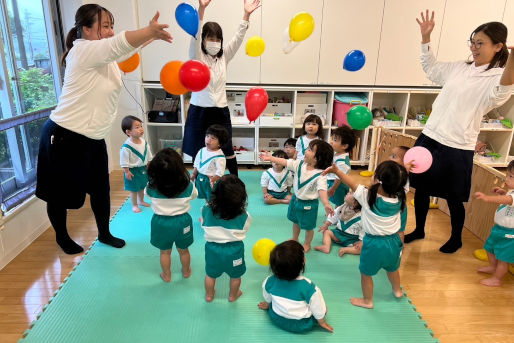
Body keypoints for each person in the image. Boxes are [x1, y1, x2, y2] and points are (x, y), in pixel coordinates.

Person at [35, 4, 172, 254]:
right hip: (65, 135)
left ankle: (104, 233)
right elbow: (118, 45)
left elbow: (125, 49)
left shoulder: (105, 57)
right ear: (85, 29)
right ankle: (62, 237)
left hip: (93, 138)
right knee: (60, 195)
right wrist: (147, 30)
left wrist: (150, 35)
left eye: (112, 26)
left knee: (101, 189)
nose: (110, 31)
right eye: (105, 26)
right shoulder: (84, 51)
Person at [405, 11, 514, 253]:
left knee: (453, 197)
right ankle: (419, 229)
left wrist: (512, 61)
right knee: (420, 188)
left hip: (457, 145)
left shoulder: (496, 76)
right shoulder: (461, 67)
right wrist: (425, 39)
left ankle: (456, 238)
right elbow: (432, 70)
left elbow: (500, 94)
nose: (474, 48)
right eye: (473, 42)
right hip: (430, 136)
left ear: (498, 46)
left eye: (480, 43)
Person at [182, 0, 261, 177]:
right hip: (199, 109)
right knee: (199, 146)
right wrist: (201, 9)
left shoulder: (224, 56)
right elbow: (194, 33)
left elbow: (238, 38)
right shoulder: (197, 56)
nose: (214, 42)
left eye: (218, 39)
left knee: (226, 147)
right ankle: (200, 180)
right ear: (203, 40)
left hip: (220, 110)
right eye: (210, 38)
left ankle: (234, 180)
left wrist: (246, 15)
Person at [324, 160, 408, 309]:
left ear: (378, 180)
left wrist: (337, 172)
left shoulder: (368, 196)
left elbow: (351, 183)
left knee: (366, 273)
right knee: (392, 268)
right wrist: (404, 171)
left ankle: (367, 301)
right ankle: (397, 291)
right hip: (394, 242)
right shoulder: (400, 196)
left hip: (374, 244)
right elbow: (400, 183)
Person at [260, 140, 334, 253]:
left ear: (317, 158)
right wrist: (271, 158)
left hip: (309, 205)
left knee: (308, 227)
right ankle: (295, 238)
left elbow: (322, 190)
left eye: (310, 150)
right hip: (295, 200)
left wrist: (326, 203)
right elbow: (285, 161)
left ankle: (307, 243)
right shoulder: (299, 164)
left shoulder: (321, 174)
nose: (305, 151)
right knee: (295, 221)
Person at [257, 240, 333, 333]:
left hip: (276, 318)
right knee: (323, 308)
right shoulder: (309, 287)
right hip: (301, 325)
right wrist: (322, 322)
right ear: (303, 262)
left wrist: (268, 304)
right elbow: (318, 308)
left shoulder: (269, 281)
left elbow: (267, 296)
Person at [146, 148, 197, 283]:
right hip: (182, 222)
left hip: (161, 222)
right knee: (184, 250)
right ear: (180, 169)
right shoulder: (188, 185)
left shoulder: (151, 187)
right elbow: (194, 195)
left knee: (165, 252)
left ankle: (167, 275)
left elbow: (148, 195)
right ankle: (186, 271)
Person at [200, 174, 251, 302]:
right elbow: (244, 230)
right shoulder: (245, 215)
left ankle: (209, 295)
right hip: (234, 250)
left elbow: (204, 222)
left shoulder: (206, 209)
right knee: (235, 276)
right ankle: (233, 295)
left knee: (210, 275)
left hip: (213, 248)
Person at [474, 160, 514, 287]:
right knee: (489, 248)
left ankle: (497, 279)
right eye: (507, 174)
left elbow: (508, 200)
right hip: (499, 229)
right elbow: (508, 199)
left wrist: (487, 198)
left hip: (509, 234)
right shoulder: (511, 192)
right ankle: (492, 266)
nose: (507, 178)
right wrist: (503, 192)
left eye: (511, 176)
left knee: (503, 258)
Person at [120, 115, 152, 213]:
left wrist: (149, 164)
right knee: (134, 189)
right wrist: (127, 171)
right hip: (132, 170)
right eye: (137, 127)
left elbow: (148, 154)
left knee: (142, 186)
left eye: (141, 126)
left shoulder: (144, 142)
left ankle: (141, 201)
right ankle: (134, 205)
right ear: (128, 132)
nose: (141, 129)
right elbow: (124, 160)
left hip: (143, 169)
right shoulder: (126, 147)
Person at [314, 192, 363, 256]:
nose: (348, 192)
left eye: (351, 193)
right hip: (339, 234)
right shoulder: (342, 207)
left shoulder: (362, 215)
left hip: (352, 239)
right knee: (326, 232)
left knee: (362, 248)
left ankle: (346, 250)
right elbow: (333, 215)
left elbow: (365, 229)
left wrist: (361, 241)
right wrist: (327, 224)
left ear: (355, 203)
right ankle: (326, 246)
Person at [190, 124, 228, 200]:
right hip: (200, 178)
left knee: (212, 198)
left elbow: (220, 172)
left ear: (220, 143)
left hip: (211, 180)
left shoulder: (219, 156)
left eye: (213, 138)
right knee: (204, 196)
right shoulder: (202, 150)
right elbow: (197, 164)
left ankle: (212, 208)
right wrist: (194, 175)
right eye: (207, 136)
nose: (208, 139)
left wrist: (213, 179)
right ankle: (208, 204)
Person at [327, 125, 355, 206]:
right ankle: (337, 212)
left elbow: (339, 178)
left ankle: (338, 214)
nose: (331, 141)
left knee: (339, 202)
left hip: (338, 185)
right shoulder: (337, 153)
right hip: (333, 181)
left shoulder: (342, 162)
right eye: (332, 138)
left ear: (344, 146)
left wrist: (333, 188)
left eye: (335, 140)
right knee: (336, 200)